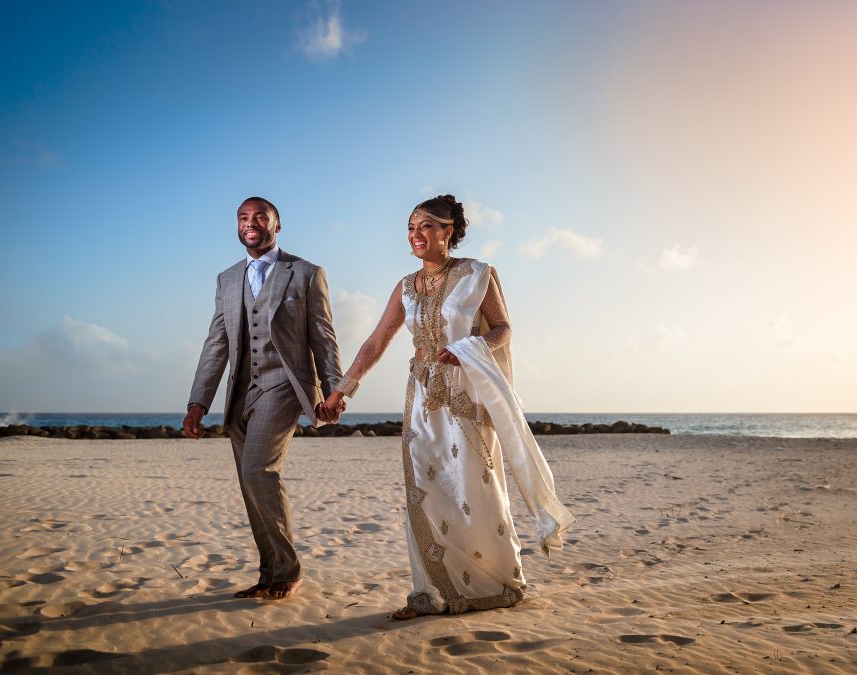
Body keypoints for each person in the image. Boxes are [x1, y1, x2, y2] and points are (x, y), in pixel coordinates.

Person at [322, 194, 574, 619]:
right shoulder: (406, 286)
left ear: (449, 231)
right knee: (424, 488)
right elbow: (376, 342)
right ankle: (428, 594)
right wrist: (342, 390)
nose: (416, 235)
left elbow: (504, 329)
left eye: (426, 226)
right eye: (410, 227)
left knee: (474, 488)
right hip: (421, 397)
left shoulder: (478, 274)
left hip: (466, 394)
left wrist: (471, 348)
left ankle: (495, 582)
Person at [183, 196, 346, 601]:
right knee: (249, 484)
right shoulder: (226, 278)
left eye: (259, 217)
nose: (249, 223)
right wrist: (197, 403)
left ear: (277, 224)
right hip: (241, 392)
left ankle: (287, 570)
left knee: (259, 472)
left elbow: (323, 336)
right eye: (242, 217)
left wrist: (334, 389)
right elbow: (216, 343)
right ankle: (269, 572)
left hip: (284, 386)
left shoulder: (306, 273)